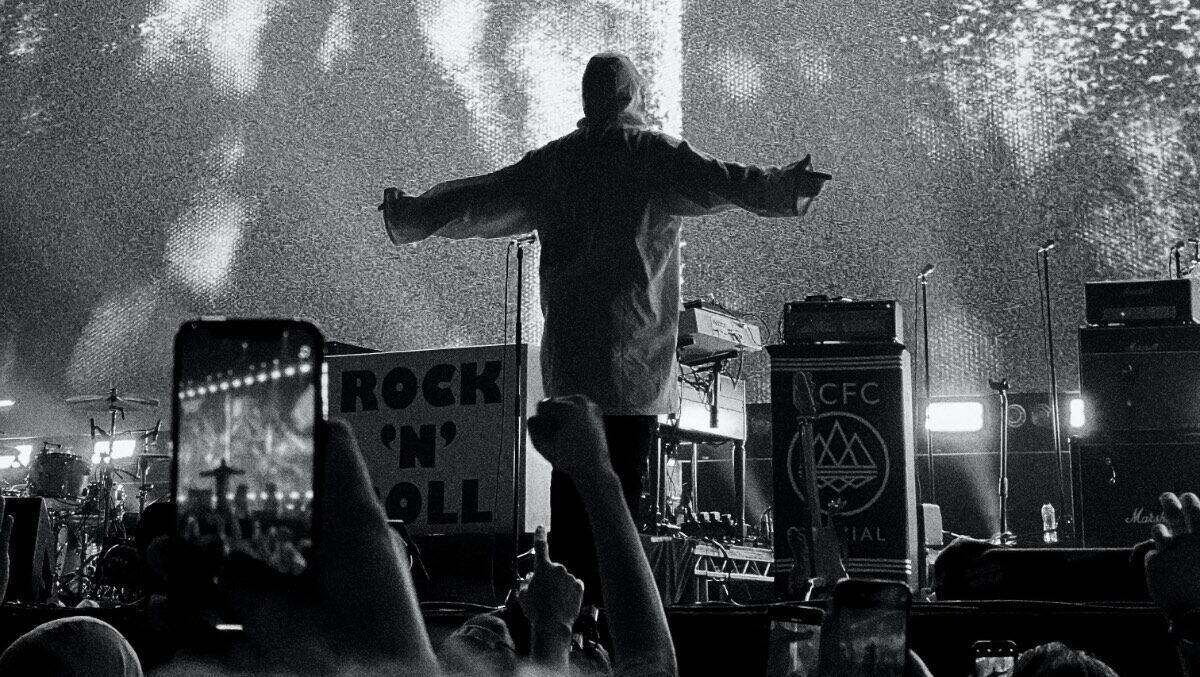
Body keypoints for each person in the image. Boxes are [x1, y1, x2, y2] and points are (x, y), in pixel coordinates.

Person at [380, 51, 830, 595]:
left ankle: (569, 632)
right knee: (617, 517)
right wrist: (788, 186)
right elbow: (729, 182)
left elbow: (477, 198)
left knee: (572, 515)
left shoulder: (555, 162)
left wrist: (413, 213)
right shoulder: (653, 154)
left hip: (572, 371)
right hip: (634, 371)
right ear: (634, 94)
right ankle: (613, 636)